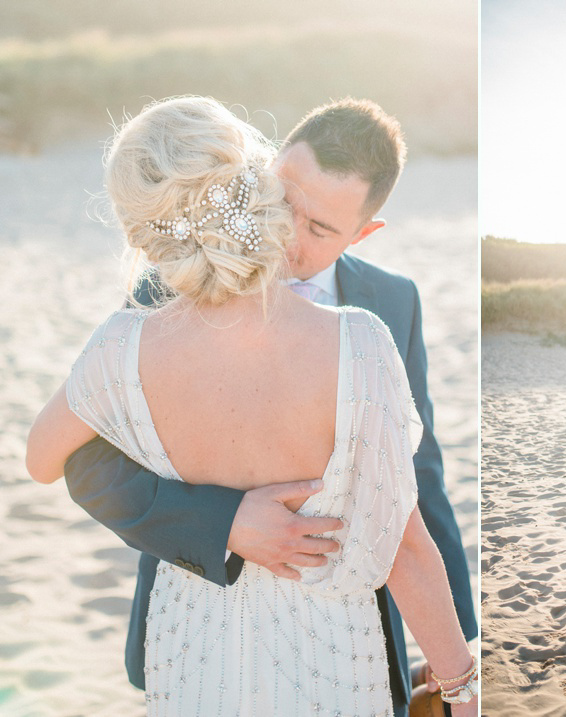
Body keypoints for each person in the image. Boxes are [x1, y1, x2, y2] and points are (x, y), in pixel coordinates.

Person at [26, 96, 477, 716]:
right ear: (256, 178)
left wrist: (450, 643)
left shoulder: (390, 305)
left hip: (325, 635)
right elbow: (86, 462)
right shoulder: (165, 295)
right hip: (205, 612)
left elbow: (416, 484)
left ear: (361, 234)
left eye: (319, 228)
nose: (289, 231)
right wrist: (220, 523)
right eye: (281, 201)